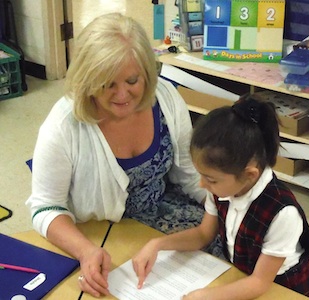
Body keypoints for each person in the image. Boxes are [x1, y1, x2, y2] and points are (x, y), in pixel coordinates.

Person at [25, 13, 216, 298]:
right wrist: (86, 252)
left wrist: (225, 205)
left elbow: (189, 174)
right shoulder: (64, 125)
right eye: (108, 84)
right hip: (102, 235)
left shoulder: (164, 97)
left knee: (232, 259)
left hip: (168, 215)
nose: (123, 94)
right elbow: (44, 208)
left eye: (132, 80)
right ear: (88, 80)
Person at [133, 95, 309, 299]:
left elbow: (260, 282)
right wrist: (157, 245)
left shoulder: (283, 213)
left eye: (211, 180)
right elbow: (203, 235)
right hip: (243, 275)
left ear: (250, 174)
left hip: (283, 289)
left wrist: (207, 296)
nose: (202, 185)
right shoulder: (222, 189)